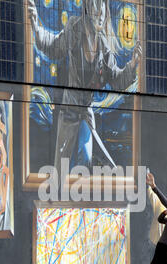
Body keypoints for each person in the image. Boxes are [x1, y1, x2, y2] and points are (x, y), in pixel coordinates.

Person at [28, 0, 142, 179]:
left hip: (86, 115)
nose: (101, 15)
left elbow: (117, 80)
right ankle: (62, 202)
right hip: (68, 112)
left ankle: (81, 201)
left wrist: (133, 63)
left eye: (103, 12)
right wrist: (35, 26)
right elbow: (55, 47)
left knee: (86, 159)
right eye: (97, 11)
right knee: (61, 168)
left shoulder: (103, 45)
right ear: (88, 10)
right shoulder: (75, 27)